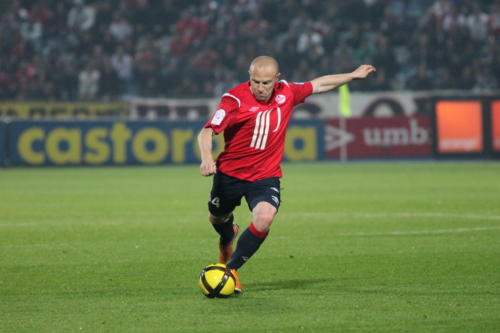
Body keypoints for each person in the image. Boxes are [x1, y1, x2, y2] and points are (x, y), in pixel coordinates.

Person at [197, 56, 375, 293]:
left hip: (265, 175)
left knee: (264, 218)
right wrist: (207, 158)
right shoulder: (233, 99)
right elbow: (207, 131)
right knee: (217, 219)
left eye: (266, 83)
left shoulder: (287, 92)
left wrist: (352, 75)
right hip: (229, 174)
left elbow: (319, 85)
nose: (260, 88)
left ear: (276, 80)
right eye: (255, 81)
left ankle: (231, 270)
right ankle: (228, 235)